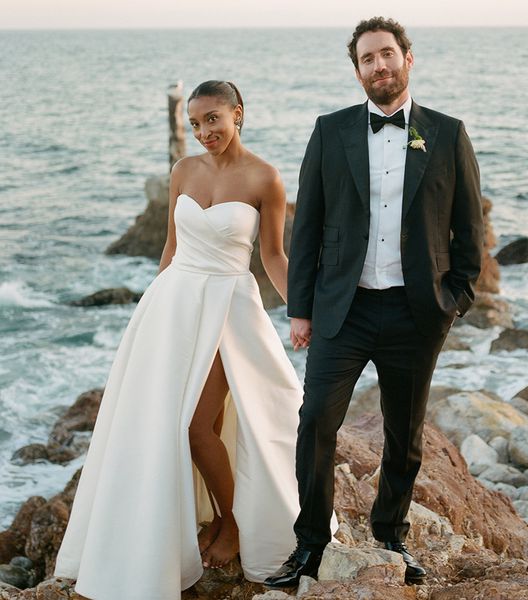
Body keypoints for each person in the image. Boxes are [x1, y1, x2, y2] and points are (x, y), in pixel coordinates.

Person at [54, 80, 322, 600]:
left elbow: (272, 257)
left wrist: (304, 312)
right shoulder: (183, 170)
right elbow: (171, 250)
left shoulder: (264, 177)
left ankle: (238, 523)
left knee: (198, 427)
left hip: (227, 307)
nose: (204, 132)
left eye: (213, 119)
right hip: (173, 305)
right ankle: (216, 518)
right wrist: (150, 312)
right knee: (182, 422)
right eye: (196, 123)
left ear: (237, 113)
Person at [265, 17, 484, 589]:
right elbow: (305, 226)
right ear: (357, 70)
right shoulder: (330, 131)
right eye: (367, 59)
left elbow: (469, 232)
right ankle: (311, 546)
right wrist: (302, 309)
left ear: (408, 59)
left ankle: (391, 536)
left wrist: (451, 303)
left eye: (387, 54)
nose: (378, 66)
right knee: (315, 422)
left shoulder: (448, 134)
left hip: (416, 315)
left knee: (404, 434)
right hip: (345, 309)